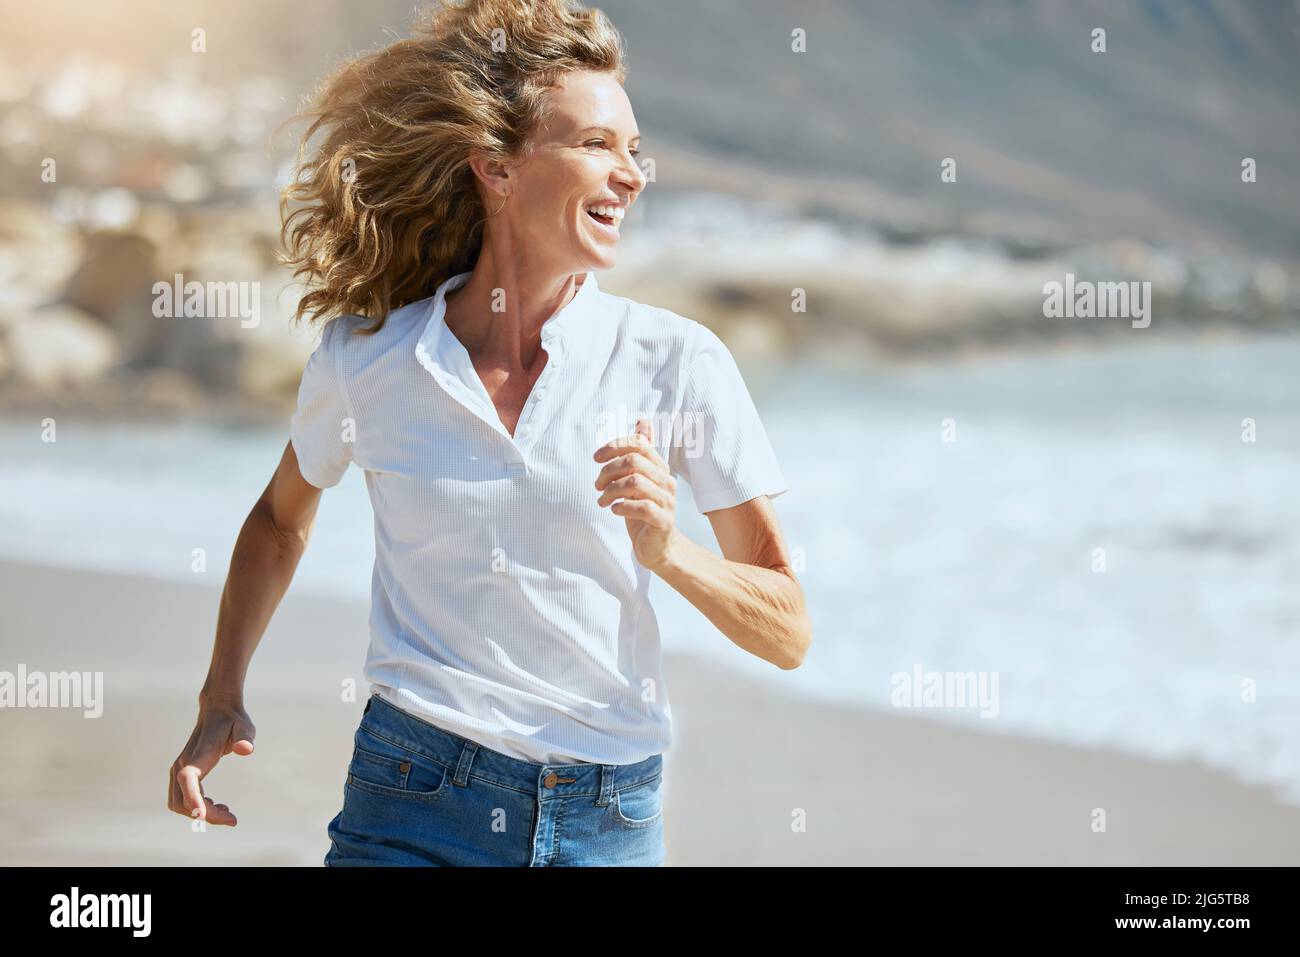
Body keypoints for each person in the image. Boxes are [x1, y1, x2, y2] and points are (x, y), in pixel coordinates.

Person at [167, 0, 811, 866]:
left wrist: (668, 550)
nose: (631, 174)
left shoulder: (675, 361)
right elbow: (281, 520)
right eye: (595, 144)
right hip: (413, 789)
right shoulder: (372, 359)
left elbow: (788, 629)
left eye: (633, 149)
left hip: (606, 817)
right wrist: (221, 693)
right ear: (497, 168)